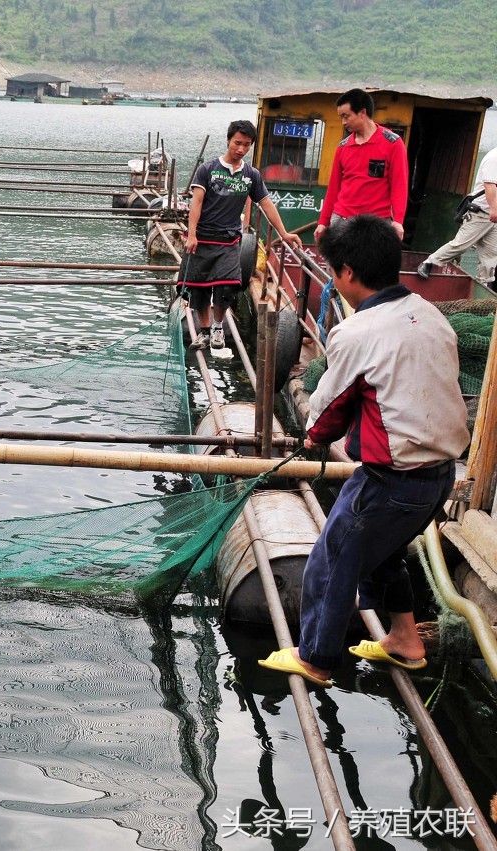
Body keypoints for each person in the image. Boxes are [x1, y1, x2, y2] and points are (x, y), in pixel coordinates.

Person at [259, 215, 470, 687]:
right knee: (386, 554)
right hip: (440, 475)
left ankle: (315, 658)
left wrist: (312, 435)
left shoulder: (358, 331)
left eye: (333, 272)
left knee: (332, 560)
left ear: (348, 273)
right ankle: (405, 640)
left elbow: (329, 407)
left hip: (393, 479)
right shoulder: (429, 311)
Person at [183, 120, 303, 349]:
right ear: (228, 140)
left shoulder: (251, 175)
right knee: (198, 288)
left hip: (229, 240)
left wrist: (284, 233)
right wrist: (191, 235)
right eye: (237, 143)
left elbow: (266, 204)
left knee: (227, 286)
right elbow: (196, 203)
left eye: (247, 145)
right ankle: (205, 331)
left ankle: (218, 327)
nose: (241, 149)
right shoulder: (207, 169)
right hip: (202, 238)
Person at [315, 88, 408, 242]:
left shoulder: (393, 143)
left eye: (346, 116)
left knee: (371, 265)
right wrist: (323, 222)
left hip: (376, 224)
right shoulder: (343, 147)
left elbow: (399, 185)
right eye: (341, 117)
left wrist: (398, 220)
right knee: (338, 265)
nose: (343, 122)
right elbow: (333, 188)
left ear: (362, 112)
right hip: (342, 221)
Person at [416, 145, 497, 285]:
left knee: (490, 256)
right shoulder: (494, 158)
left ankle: (483, 289)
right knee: (460, 245)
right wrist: (494, 210)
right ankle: (430, 262)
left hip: (493, 217)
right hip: (482, 212)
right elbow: (490, 186)